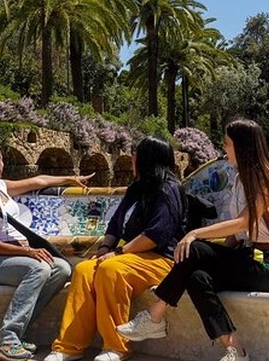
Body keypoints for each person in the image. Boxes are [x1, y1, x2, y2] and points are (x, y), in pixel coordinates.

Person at [116, 119, 269, 361]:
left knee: (194, 248)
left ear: (242, 146)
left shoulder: (267, 178)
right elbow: (235, 237)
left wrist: (195, 234)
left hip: (265, 263)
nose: (224, 149)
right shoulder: (240, 180)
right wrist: (210, 258)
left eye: (227, 143)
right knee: (196, 276)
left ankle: (155, 313)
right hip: (246, 257)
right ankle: (234, 348)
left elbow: (243, 223)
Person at [43, 136, 184, 361]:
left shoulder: (169, 190)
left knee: (111, 269)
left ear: (147, 159)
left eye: (136, 155)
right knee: (84, 270)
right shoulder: (136, 189)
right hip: (131, 257)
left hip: (161, 261)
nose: (132, 159)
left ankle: (116, 346)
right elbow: (115, 224)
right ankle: (68, 346)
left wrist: (117, 252)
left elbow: (156, 235)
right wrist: (106, 246)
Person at [0, 142, 87, 361]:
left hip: (20, 255)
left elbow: (38, 181)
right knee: (38, 269)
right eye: (0, 160)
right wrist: (30, 253)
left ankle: (15, 334)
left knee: (62, 269)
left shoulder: (0, 187)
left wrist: (69, 179)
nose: (3, 163)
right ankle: (5, 338)